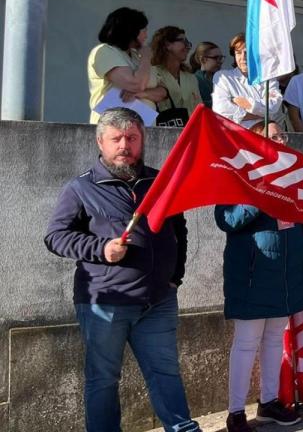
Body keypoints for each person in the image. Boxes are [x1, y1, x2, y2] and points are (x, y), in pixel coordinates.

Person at [44, 108, 199, 432]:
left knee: (165, 372)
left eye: (132, 138)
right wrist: (100, 249)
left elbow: (179, 230)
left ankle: (183, 428)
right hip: (105, 302)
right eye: (116, 139)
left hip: (157, 301)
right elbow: (56, 236)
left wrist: (174, 278)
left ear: (142, 140)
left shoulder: (159, 182)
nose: (124, 145)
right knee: (103, 379)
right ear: (101, 142)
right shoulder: (81, 188)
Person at [215, 122, 303, 432]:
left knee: (276, 338)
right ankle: (236, 411)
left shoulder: (292, 172)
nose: (280, 140)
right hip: (252, 272)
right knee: (247, 343)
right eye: (273, 136)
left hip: (288, 271)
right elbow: (227, 219)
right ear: (255, 143)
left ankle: (270, 401)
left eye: (281, 135)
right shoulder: (237, 174)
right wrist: (258, 192)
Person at [87, 7, 167, 123]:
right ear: (131, 31)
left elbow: (163, 92)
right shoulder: (105, 51)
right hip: (113, 127)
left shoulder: (135, 54)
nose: (146, 35)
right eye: (143, 30)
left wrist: (142, 93)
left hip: (143, 127)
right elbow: (134, 84)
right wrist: (146, 58)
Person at [212, 33, 284, 129]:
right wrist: (262, 113)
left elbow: (273, 108)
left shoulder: (268, 78)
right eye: (238, 53)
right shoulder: (223, 77)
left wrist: (245, 103)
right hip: (235, 137)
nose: (243, 57)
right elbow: (221, 111)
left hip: (262, 137)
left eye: (247, 52)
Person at [151, 26, 203, 116]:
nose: (187, 47)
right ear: (167, 45)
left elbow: (199, 110)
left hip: (191, 128)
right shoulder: (153, 74)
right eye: (183, 41)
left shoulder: (191, 77)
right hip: (164, 129)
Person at [190, 41, 224, 108]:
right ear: (203, 60)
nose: (220, 62)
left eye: (221, 58)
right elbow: (198, 105)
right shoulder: (193, 80)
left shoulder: (221, 79)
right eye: (216, 58)